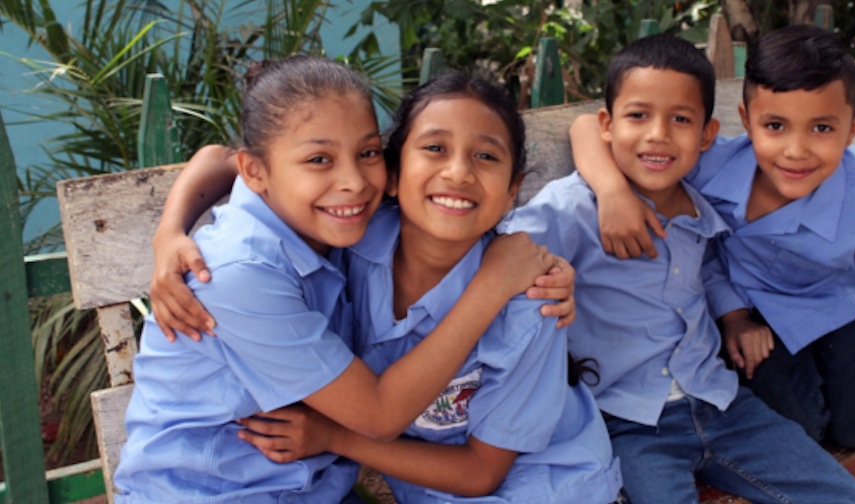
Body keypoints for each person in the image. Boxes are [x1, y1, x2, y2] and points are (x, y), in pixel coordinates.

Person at [116, 56, 574, 503]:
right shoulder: (238, 273)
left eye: (368, 153)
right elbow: (377, 415)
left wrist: (170, 228)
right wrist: (493, 284)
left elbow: (216, 158)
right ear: (256, 172)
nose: (354, 181)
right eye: (319, 158)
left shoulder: (320, 221)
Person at [505, 34, 855, 503]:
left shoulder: (701, 211)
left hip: (724, 405)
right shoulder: (575, 208)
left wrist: (734, 317)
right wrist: (604, 198)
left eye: (680, 119)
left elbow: (704, 271)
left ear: (707, 135)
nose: (658, 134)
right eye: (638, 115)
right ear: (608, 124)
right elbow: (501, 250)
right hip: (628, 423)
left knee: (853, 498)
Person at [224, 74, 624, 503]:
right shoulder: (349, 244)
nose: (458, 172)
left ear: (511, 192)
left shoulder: (531, 303)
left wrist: (333, 437)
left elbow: (481, 474)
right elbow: (232, 162)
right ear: (391, 175)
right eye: (435, 148)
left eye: (486, 155)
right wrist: (171, 233)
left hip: (545, 489)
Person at [568, 25, 855, 462]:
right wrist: (613, 191)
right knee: (800, 431)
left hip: (843, 309)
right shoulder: (708, 165)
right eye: (776, 126)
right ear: (747, 121)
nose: (796, 150)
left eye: (821, 127)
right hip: (755, 317)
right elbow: (585, 127)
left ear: (853, 127)